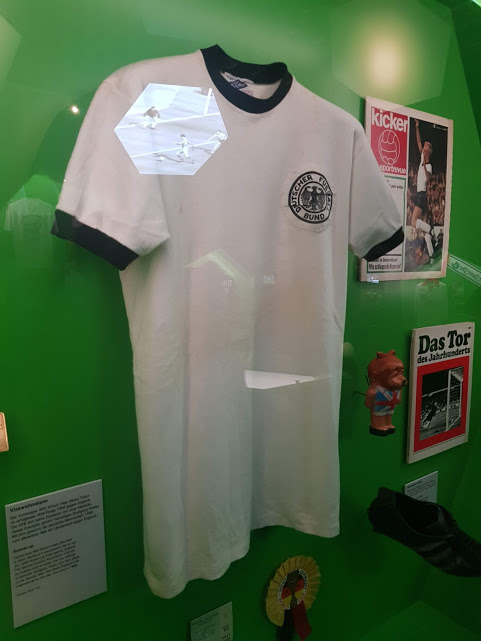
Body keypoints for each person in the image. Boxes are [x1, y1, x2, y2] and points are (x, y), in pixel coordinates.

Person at [412, 119, 434, 262]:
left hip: (421, 195)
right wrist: (417, 126)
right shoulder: (421, 158)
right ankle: (431, 255)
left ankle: (430, 228)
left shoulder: (429, 165)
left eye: (425, 146)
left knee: (414, 222)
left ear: (428, 150)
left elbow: (428, 179)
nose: (423, 146)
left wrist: (425, 166)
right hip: (422, 196)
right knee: (425, 232)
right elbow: (418, 141)